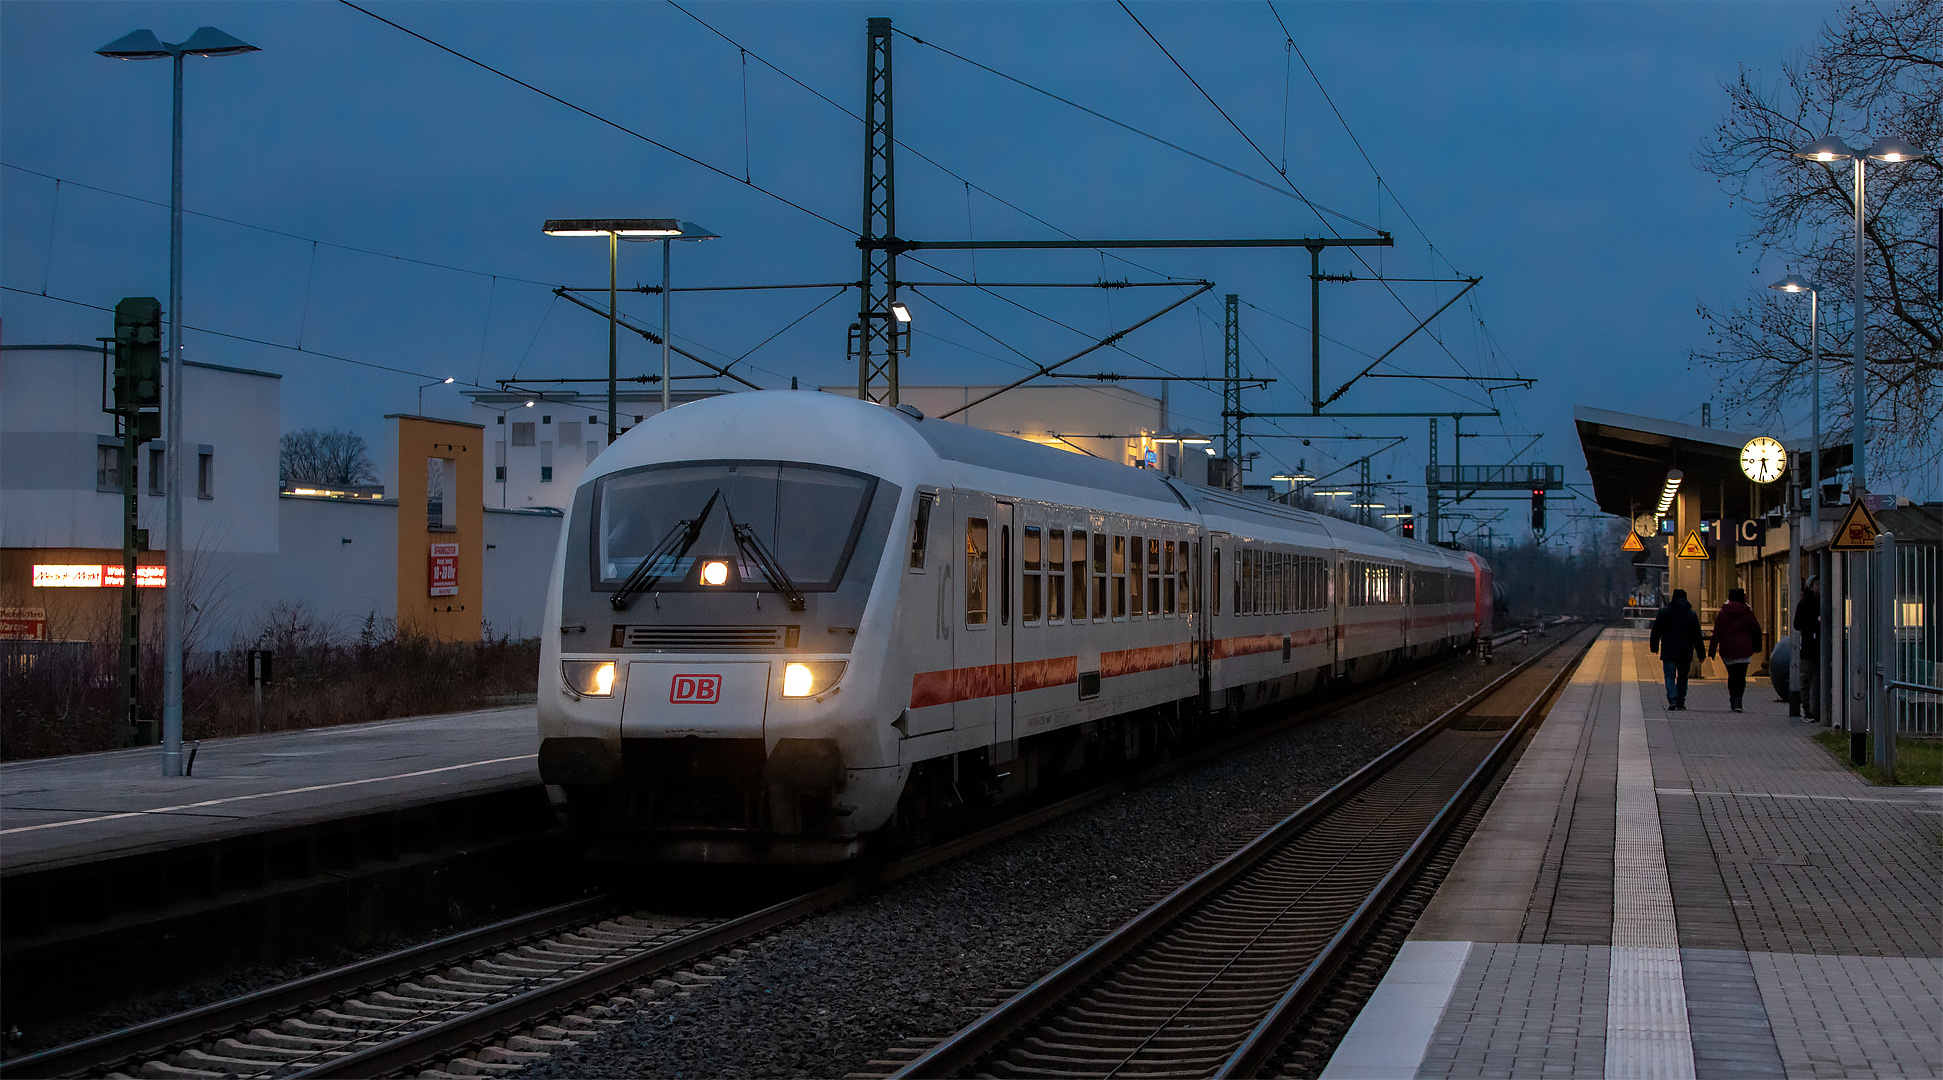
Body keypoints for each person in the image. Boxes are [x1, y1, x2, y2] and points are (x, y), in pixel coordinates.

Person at [1709, 587, 1763, 712]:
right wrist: (1757, 647)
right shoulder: (1748, 613)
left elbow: (1716, 632)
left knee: (1732, 675)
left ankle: (1733, 699)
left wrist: (1712, 651)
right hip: (1744, 649)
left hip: (1727, 649)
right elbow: (1756, 631)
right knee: (1741, 676)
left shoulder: (1723, 613)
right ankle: (1738, 701)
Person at [1650, 588, 1704, 710]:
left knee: (1669, 676)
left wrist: (1654, 647)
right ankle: (1680, 701)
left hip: (1668, 651)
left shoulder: (1664, 613)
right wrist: (1701, 654)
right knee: (1682, 677)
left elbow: (1656, 631)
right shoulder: (1691, 615)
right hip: (1685, 652)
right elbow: (1697, 636)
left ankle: (1672, 699)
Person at [1794, 575, 1821, 720]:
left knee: (1822, 677)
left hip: (1823, 648)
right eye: (1817, 584)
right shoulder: (1804, 604)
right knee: (1806, 678)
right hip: (1809, 648)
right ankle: (1807, 709)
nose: (1820, 586)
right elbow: (1797, 624)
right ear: (1811, 586)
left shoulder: (1827, 601)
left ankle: (1823, 708)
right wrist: (1814, 622)